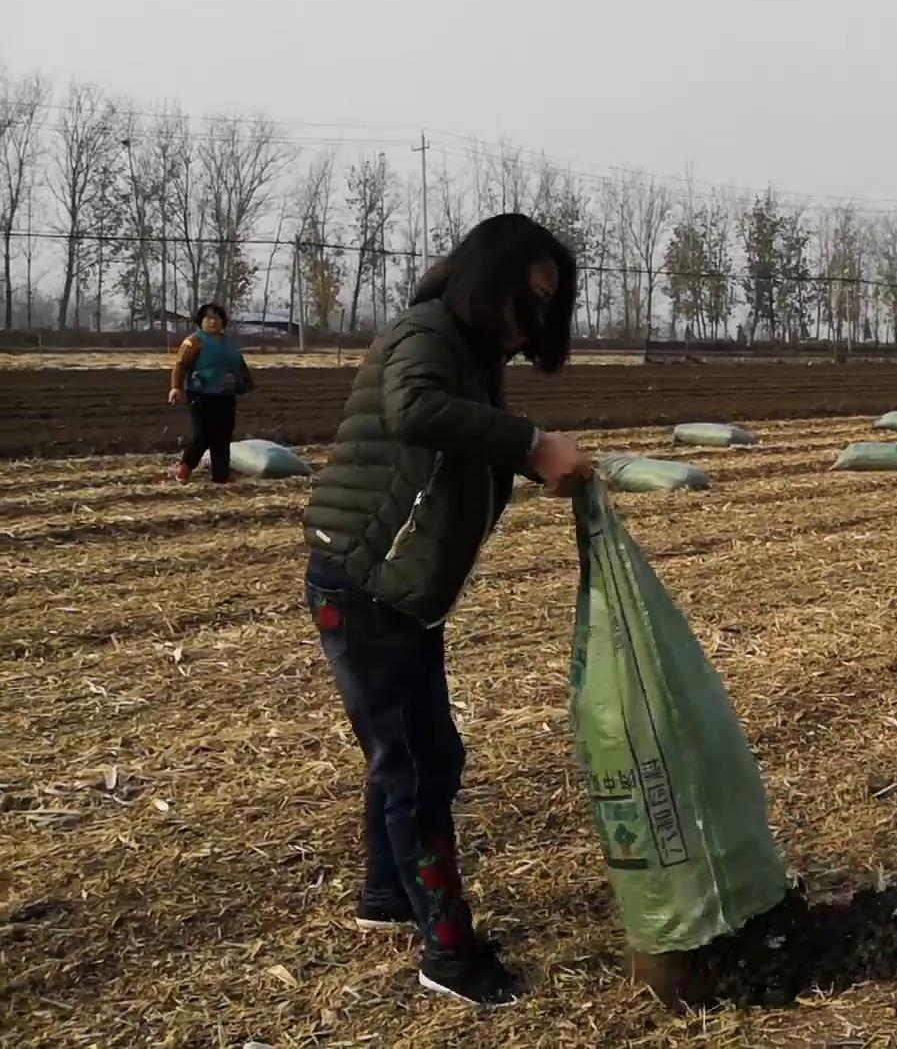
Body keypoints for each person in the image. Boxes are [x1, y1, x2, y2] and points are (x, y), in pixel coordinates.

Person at [301, 213, 593, 1007]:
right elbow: (414, 411)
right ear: (486, 279)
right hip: (366, 583)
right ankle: (449, 954)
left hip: (397, 586)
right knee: (419, 766)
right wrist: (531, 445)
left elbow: (454, 452)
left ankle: (388, 896)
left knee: (412, 750)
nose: (535, 317)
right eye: (528, 297)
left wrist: (540, 467)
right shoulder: (427, 334)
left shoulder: (472, 355)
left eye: (548, 304)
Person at [167, 303, 252, 483]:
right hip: (201, 393)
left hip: (226, 394)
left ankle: (221, 475)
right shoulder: (194, 341)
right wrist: (176, 387)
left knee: (223, 434)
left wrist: (246, 383)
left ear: (223, 321)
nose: (213, 322)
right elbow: (181, 366)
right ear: (201, 321)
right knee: (204, 433)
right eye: (208, 318)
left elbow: (239, 364)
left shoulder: (228, 342)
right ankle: (185, 466)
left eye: (217, 318)